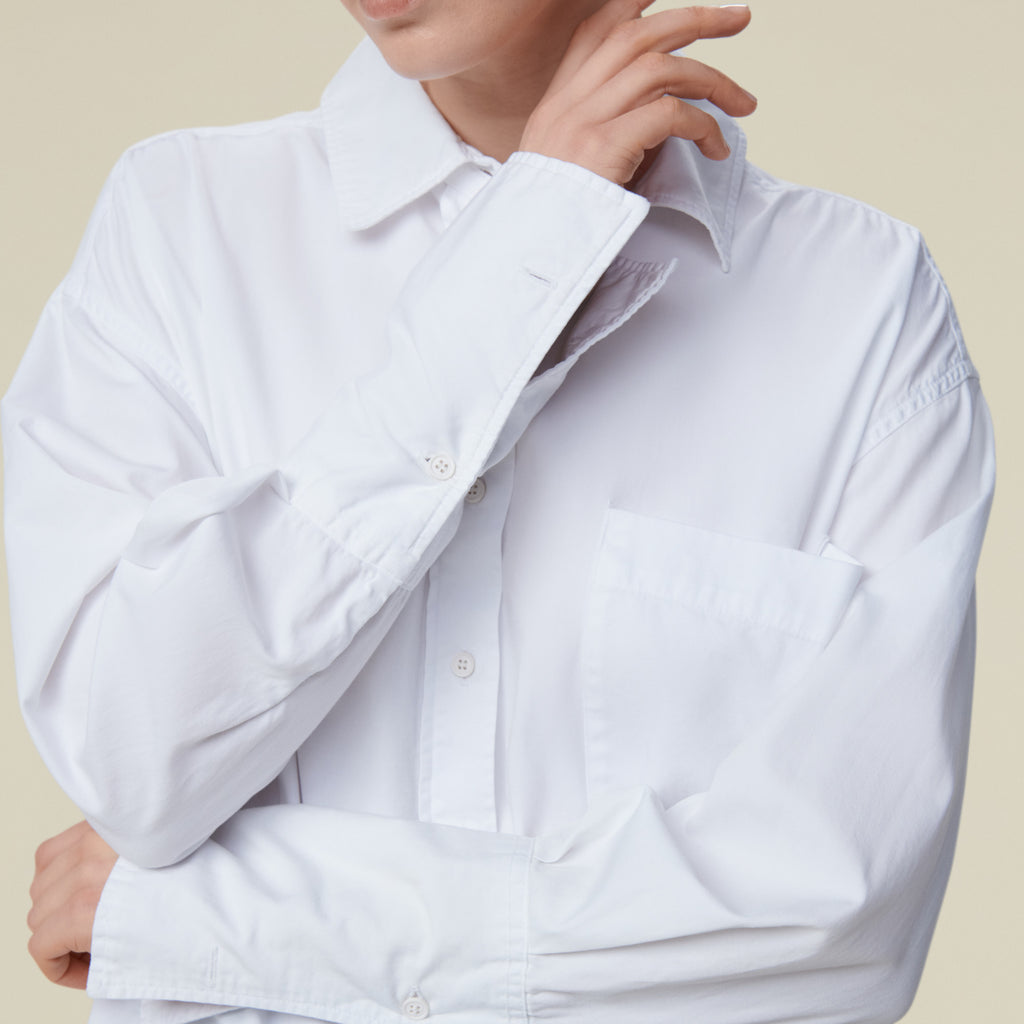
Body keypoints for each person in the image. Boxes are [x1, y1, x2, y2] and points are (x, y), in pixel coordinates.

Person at [8, 1, 994, 1022]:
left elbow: (834, 928)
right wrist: (526, 252)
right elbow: (133, 766)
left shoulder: (862, 303)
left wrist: (216, 921)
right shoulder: (181, 228)